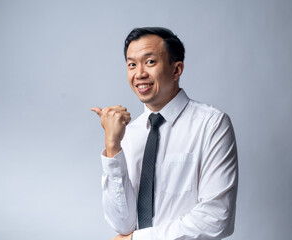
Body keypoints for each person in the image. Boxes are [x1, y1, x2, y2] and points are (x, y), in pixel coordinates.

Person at [91, 27, 238, 240]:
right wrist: (113, 146)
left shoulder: (212, 124)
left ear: (176, 70)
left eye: (150, 62)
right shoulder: (130, 133)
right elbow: (123, 223)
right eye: (132, 64)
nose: (139, 73)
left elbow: (216, 217)